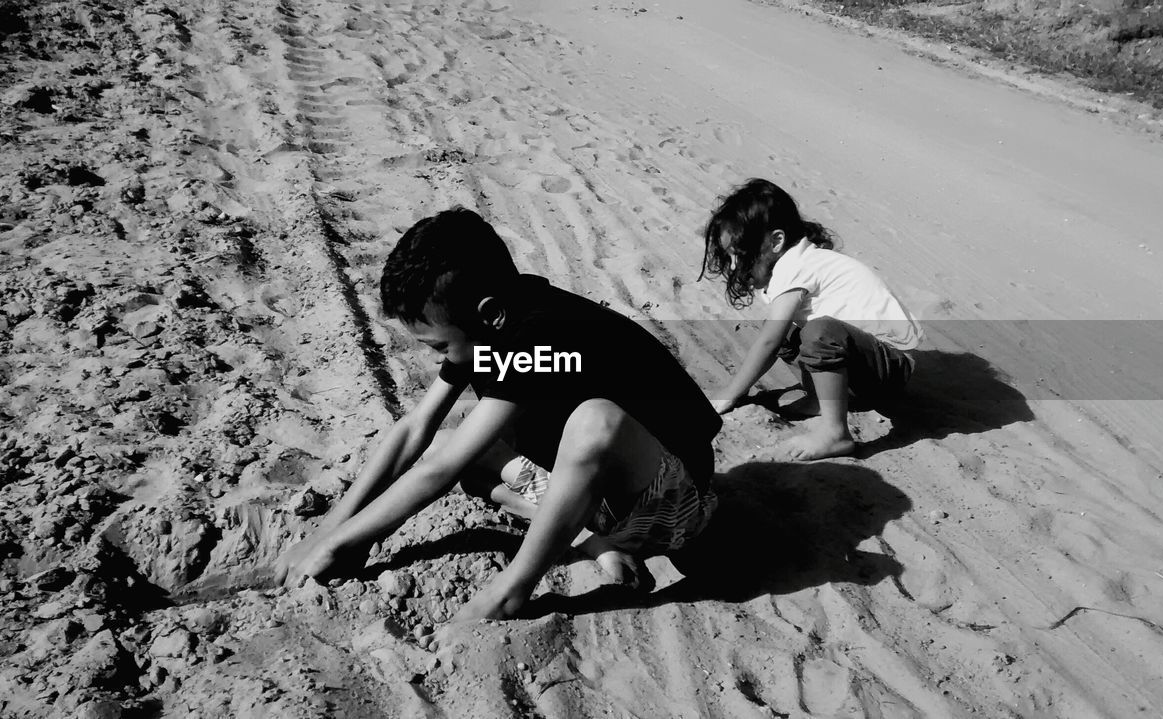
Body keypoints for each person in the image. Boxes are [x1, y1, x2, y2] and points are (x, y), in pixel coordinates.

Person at [274, 207, 721, 621]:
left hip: (673, 504)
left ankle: (510, 593)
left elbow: (441, 473)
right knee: (462, 443)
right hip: (595, 495)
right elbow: (416, 430)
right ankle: (590, 539)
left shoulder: (541, 331)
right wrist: (332, 529)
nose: (439, 361)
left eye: (441, 348)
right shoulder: (490, 324)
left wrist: (340, 545)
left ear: (489, 314)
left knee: (594, 420)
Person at [700, 178, 922, 460]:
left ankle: (835, 433)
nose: (733, 266)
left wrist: (731, 393)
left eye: (739, 254)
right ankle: (823, 398)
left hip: (889, 367)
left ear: (776, 241)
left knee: (816, 332)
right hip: (864, 362)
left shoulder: (797, 266)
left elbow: (770, 341)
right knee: (790, 334)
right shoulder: (793, 263)